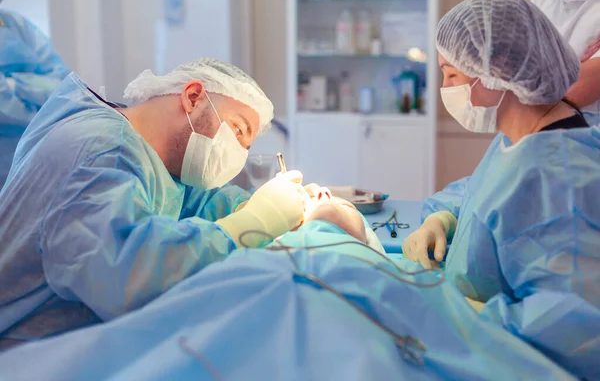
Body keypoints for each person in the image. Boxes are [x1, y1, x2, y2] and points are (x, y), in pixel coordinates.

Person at [0, 195, 576, 381]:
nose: (318, 203)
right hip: (265, 276)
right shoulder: (273, 251)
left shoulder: (368, 260)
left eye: (331, 205)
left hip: (323, 286)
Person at [0, 58, 309, 351]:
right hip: (26, 356)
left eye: (246, 146)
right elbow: (127, 275)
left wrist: (271, 203)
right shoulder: (101, 151)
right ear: (193, 97)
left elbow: (197, 202)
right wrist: (256, 222)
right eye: (238, 129)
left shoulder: (151, 156)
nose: (237, 153)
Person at [402, 0, 600, 379]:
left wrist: (470, 317)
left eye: (451, 74)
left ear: (499, 70)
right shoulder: (522, 139)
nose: (446, 88)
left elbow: (576, 329)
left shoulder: (559, 178)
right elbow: (484, 192)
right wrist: (443, 217)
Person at [0, 0, 70, 190]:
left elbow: (63, 85)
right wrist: (38, 95)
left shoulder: (15, 24)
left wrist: (13, 85)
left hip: (32, 164)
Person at [532, 0, 600, 124]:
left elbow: (577, 91)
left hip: (585, 141)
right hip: (527, 136)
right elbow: (508, 74)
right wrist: (570, 69)